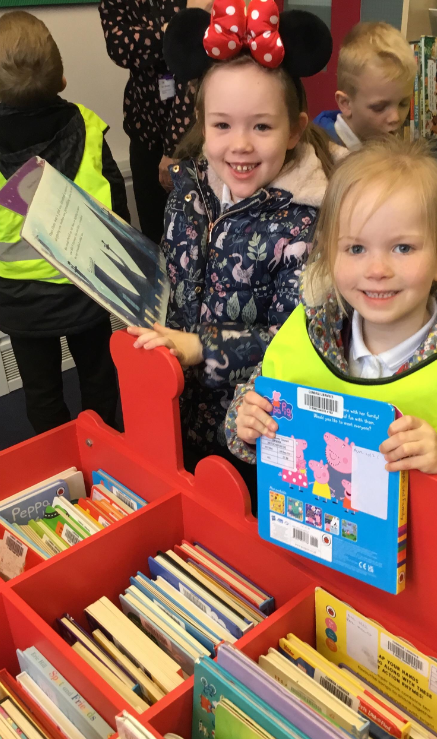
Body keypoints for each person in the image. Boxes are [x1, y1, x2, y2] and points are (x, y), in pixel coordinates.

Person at [226, 139, 437, 514]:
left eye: (403, 248)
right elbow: (244, 422)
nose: (377, 271)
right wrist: (246, 423)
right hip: (313, 548)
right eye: (356, 249)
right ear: (329, 253)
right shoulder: (308, 332)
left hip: (430, 564)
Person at [126, 0, 339, 500]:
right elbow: (173, 277)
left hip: (253, 431)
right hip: (177, 403)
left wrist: (204, 348)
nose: (239, 144)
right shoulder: (188, 189)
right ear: (204, 124)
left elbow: (302, 342)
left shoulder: (309, 221)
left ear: (294, 130)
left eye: (261, 126)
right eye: (222, 125)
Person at [0, 11, 128, 434]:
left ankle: (56, 465)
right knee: (97, 379)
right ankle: (104, 453)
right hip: (86, 290)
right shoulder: (90, 128)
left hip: (20, 301)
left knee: (40, 393)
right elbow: (119, 214)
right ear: (61, 80)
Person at [99, 0, 210, 243]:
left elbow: (193, 62)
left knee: (192, 235)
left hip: (191, 132)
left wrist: (175, 148)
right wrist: (171, 32)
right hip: (143, 128)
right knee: (151, 233)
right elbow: (119, 48)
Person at [314, 22, 416, 149]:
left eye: (404, 104)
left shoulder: (384, 142)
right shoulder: (320, 156)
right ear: (345, 103)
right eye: (379, 107)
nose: (395, 118)